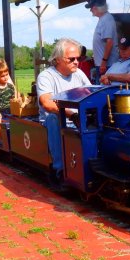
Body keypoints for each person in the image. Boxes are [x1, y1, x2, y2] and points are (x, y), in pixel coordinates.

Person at [36, 38, 92, 183]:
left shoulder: (79, 74)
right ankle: (59, 170)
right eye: (71, 59)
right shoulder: (46, 76)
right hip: (57, 120)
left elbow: (91, 94)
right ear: (58, 59)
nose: (76, 62)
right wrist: (70, 114)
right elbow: (46, 103)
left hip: (78, 118)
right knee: (53, 118)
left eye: (78, 58)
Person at [86, 0, 118, 81]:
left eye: (91, 8)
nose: (90, 11)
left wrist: (103, 62)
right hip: (103, 64)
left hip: (107, 65)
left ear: (95, 8)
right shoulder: (104, 19)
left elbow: (109, 42)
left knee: (104, 89)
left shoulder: (106, 19)